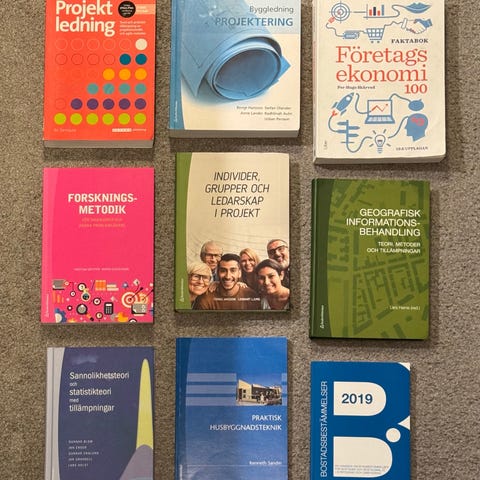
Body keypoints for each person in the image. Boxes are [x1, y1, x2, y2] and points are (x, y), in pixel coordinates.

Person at [194, 254, 261, 310]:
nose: (228, 276)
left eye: (233, 270)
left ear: (239, 273)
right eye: (223, 271)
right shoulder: (205, 298)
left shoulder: (252, 296)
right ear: (217, 273)